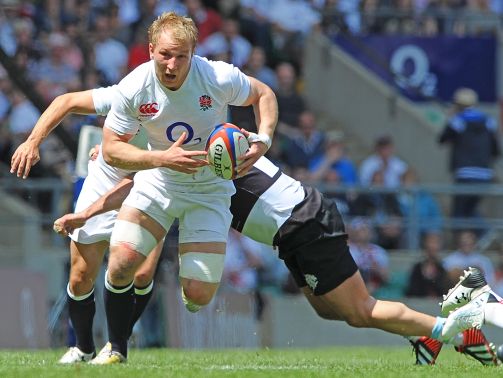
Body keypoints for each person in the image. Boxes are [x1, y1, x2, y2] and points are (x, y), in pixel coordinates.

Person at [96, 11, 277, 364]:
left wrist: (264, 139)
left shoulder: (215, 75)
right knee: (120, 265)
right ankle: (116, 347)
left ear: (194, 52)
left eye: (181, 55)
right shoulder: (135, 86)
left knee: (198, 296)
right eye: (165, 54)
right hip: (158, 182)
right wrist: (161, 159)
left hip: (209, 190)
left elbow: (263, 93)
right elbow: (112, 148)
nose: (172, 63)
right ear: (151, 50)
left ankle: (189, 274)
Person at [438, 87, 500, 228]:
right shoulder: (488, 121)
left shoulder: (457, 121)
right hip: (484, 174)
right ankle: (484, 235)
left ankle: (477, 237)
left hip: (464, 173)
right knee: (470, 210)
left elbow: (442, 139)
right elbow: (496, 150)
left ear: (458, 105)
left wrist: (449, 118)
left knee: (458, 214)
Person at [405, 232, 450, 298]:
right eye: (430, 243)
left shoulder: (442, 268)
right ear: (425, 246)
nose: (432, 246)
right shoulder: (417, 268)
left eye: (435, 243)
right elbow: (412, 290)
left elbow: (445, 291)